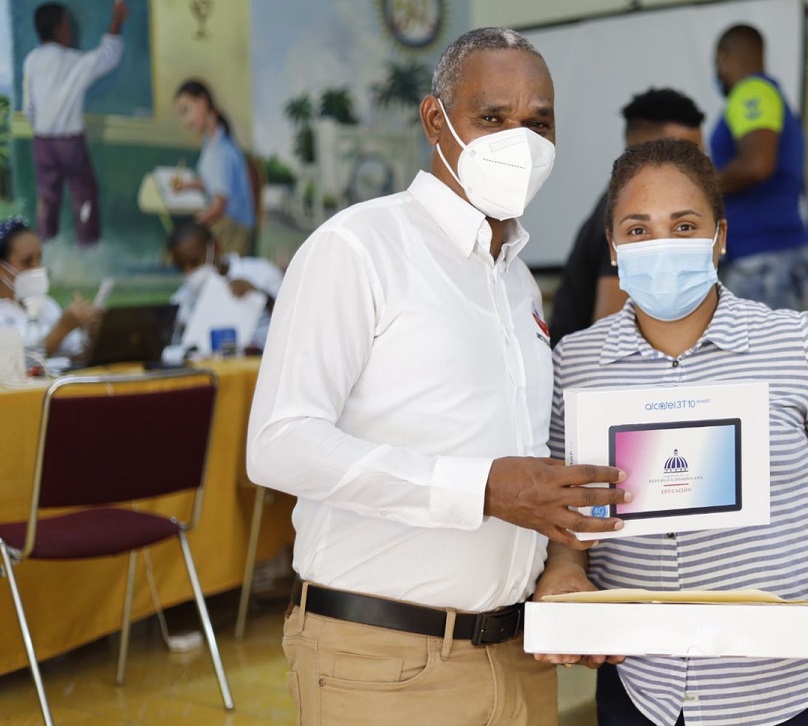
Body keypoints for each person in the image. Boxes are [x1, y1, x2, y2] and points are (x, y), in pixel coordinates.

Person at [246, 28, 629, 726]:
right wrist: (480, 488)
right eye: (492, 117)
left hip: (516, 656)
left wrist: (560, 565)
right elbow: (280, 443)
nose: (521, 140)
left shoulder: (515, 282)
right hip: (383, 662)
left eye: (538, 122)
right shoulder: (357, 248)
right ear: (435, 120)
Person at [538, 138, 808, 726]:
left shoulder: (798, 345)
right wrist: (566, 565)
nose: (661, 245)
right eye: (638, 230)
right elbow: (561, 504)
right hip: (645, 688)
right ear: (613, 248)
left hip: (798, 687)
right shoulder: (574, 364)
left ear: (720, 238)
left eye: (685, 225)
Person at [549, 88, 705, 345]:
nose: (700, 166)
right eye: (687, 155)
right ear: (646, 153)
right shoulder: (622, 221)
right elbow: (611, 329)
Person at [710, 23, 808, 312]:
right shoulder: (766, 93)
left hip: (763, 259)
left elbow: (757, 165)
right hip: (770, 256)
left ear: (723, 57)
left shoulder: (751, 93)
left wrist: (695, 185)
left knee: (764, 357)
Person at [22, 1, 127, 246]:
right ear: (59, 29)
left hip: (42, 143)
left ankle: (47, 249)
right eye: (67, 25)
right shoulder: (73, 61)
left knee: (47, 200)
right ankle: (88, 248)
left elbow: (29, 107)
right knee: (84, 197)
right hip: (70, 143)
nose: (70, 30)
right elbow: (107, 56)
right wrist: (117, 20)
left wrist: (41, 129)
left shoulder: (32, 60)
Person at [166, 222, 281, 352]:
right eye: (181, 267)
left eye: (194, 261)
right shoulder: (183, 298)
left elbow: (292, 321)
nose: (189, 271)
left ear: (216, 247)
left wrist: (260, 294)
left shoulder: (263, 274)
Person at [173, 80, 256, 256]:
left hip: (234, 229)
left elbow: (219, 205)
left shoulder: (222, 150)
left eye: (186, 111)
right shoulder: (210, 144)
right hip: (226, 224)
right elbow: (214, 182)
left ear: (203, 102)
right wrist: (189, 185)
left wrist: (193, 225)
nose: (185, 121)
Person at [0, 216, 97, 358]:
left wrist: (91, 331)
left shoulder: (48, 306)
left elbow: (77, 357)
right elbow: (18, 367)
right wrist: (63, 328)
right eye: (27, 262)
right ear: (2, 271)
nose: (38, 267)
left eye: (39, 258)